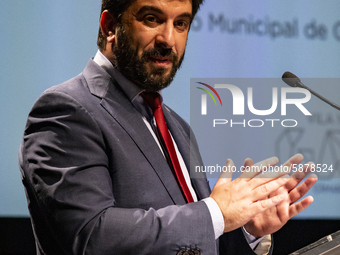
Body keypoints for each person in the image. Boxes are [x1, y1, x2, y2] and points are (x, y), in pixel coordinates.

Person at [19, 0, 317, 254]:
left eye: (181, 24)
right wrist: (216, 212)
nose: (168, 39)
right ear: (110, 26)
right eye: (152, 19)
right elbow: (90, 235)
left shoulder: (176, 126)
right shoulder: (66, 110)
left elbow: (195, 239)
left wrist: (246, 227)